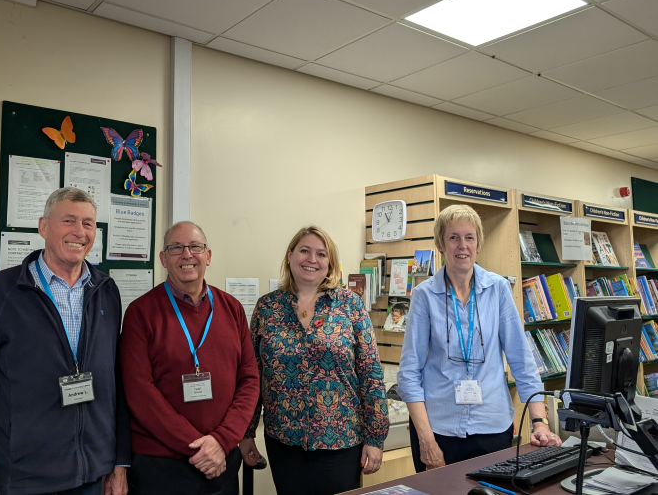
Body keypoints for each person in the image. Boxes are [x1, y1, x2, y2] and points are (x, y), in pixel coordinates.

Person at [0, 187, 129, 495]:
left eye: (88, 223)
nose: (79, 232)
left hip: (93, 477)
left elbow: (117, 383)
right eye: (69, 220)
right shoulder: (3, 291)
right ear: (43, 226)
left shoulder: (106, 290)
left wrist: (119, 462)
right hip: (25, 480)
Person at [397, 204, 561, 473]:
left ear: (479, 244)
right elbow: (409, 374)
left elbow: (522, 362)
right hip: (439, 430)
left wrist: (539, 422)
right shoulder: (424, 296)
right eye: (453, 237)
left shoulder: (497, 289)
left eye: (469, 237)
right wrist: (426, 439)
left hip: (492, 428)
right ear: (440, 244)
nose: (462, 245)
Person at [240, 225, 389, 495]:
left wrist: (375, 438)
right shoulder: (267, 308)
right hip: (283, 440)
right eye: (304, 251)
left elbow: (371, 375)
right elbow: (254, 375)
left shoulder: (350, 305)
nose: (312, 259)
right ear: (290, 255)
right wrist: (247, 432)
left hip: (341, 442)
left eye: (321, 254)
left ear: (329, 262)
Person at [119, 221, 259, 495]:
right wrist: (200, 446)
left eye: (195, 246)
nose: (187, 254)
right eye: (175, 248)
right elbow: (139, 393)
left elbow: (250, 379)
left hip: (222, 463)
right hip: (160, 467)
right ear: (163, 258)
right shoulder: (140, 313)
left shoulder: (232, 308)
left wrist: (221, 441)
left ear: (207, 255)